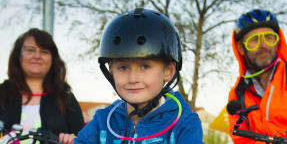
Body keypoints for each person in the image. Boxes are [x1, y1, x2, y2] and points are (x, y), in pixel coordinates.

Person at [74, 8, 203, 144]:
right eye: (123, 67)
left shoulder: (184, 122)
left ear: (168, 71)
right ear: (111, 71)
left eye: (145, 67)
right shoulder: (104, 121)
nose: (133, 79)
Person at [0, 28, 85, 144]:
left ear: (53, 59)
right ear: (18, 56)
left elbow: (82, 139)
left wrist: (71, 140)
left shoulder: (65, 98)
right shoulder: (2, 93)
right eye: (30, 50)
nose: (37, 56)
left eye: (44, 51)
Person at [228, 9, 287, 143]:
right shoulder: (238, 94)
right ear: (241, 48)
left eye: (269, 37)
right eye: (254, 39)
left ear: (278, 42)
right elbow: (240, 140)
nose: (263, 45)